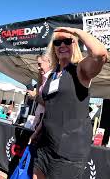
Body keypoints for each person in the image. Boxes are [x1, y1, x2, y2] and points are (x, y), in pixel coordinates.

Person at [31, 27, 108, 179]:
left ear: (75, 44)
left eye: (67, 41)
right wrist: (37, 131)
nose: (62, 45)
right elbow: (50, 106)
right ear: (53, 47)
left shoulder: (80, 70)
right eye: (58, 42)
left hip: (69, 150)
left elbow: (100, 53)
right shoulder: (52, 75)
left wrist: (75, 31)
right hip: (46, 145)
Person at [27, 54, 51, 130]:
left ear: (49, 63)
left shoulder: (52, 80)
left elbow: (51, 104)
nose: (38, 67)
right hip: (38, 122)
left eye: (39, 64)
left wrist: (35, 97)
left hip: (45, 125)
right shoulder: (44, 79)